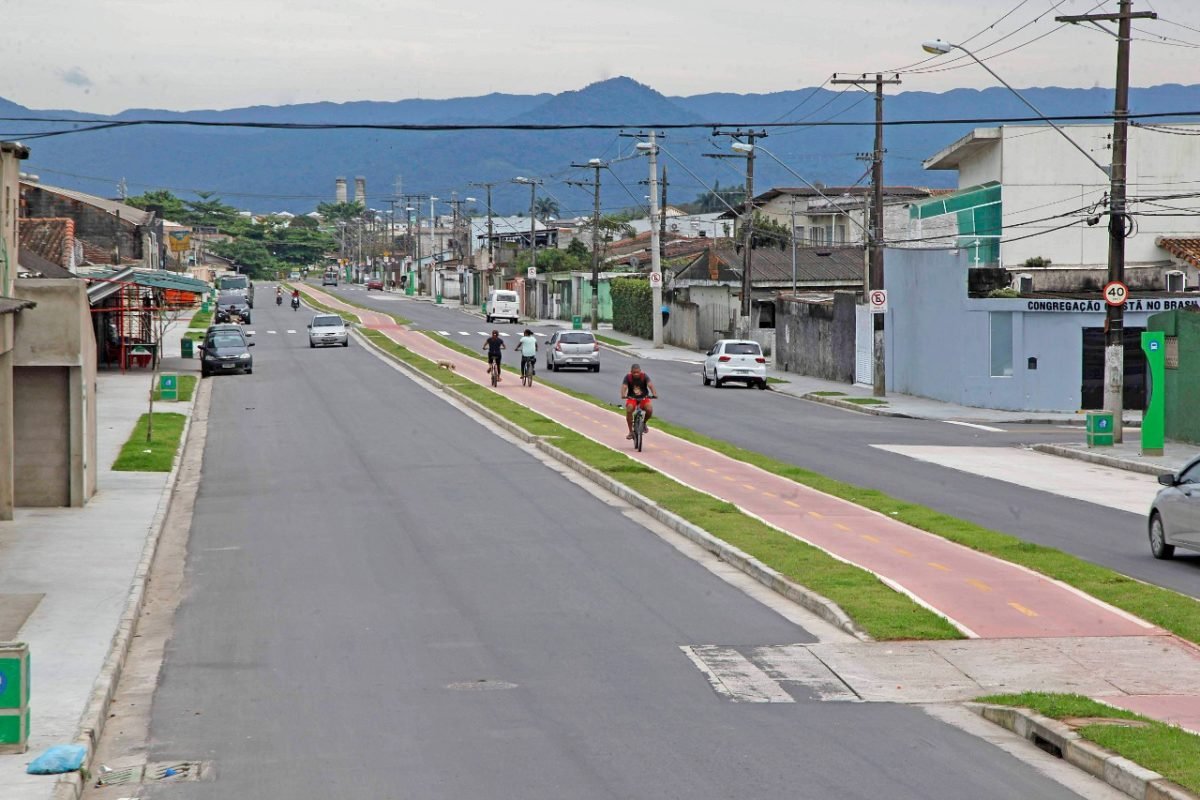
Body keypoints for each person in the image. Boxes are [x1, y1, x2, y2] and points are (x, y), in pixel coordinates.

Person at [620, 363, 657, 439]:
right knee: (629, 409)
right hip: (632, 398)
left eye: (637, 372)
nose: (636, 374)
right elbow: (624, 386)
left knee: (649, 409)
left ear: (640, 371)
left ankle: (644, 423)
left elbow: (650, 385)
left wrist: (654, 394)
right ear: (631, 372)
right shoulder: (628, 377)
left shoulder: (644, 376)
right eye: (634, 372)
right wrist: (623, 394)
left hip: (644, 398)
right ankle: (631, 432)